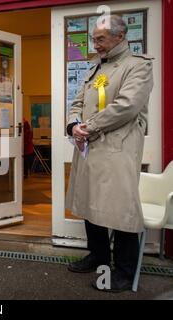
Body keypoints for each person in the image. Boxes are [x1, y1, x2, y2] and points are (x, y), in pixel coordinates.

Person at [65, 15, 154, 292]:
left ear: (120, 37)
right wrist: (73, 124)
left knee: (119, 208)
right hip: (90, 148)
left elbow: (126, 106)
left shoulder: (138, 66)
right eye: (94, 39)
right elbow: (78, 101)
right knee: (91, 204)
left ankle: (125, 272)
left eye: (100, 39)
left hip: (117, 149)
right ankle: (99, 256)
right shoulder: (95, 69)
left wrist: (87, 127)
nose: (95, 44)